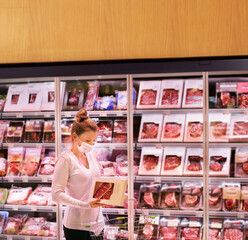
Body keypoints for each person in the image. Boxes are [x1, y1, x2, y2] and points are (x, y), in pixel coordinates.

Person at [52, 109, 105, 240]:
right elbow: (56, 195)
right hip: (77, 227)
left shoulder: (91, 155)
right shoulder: (66, 160)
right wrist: (85, 204)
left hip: (98, 224)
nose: (91, 144)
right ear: (75, 136)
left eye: (93, 140)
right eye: (88, 140)